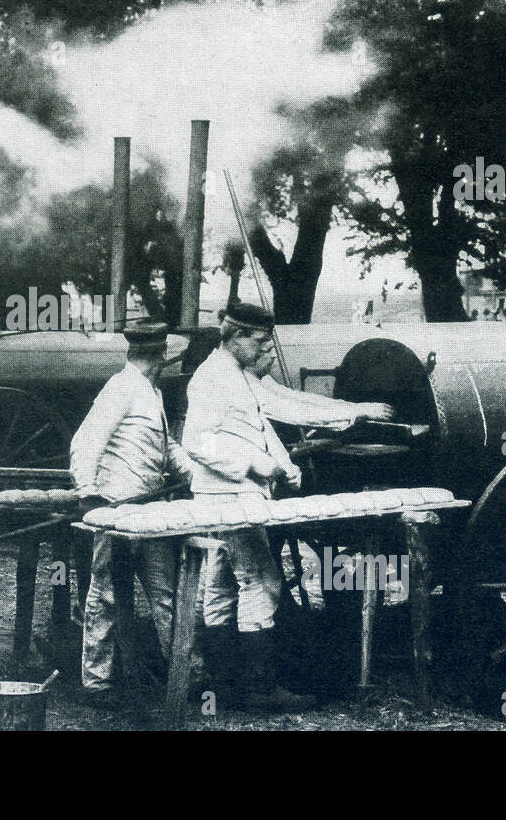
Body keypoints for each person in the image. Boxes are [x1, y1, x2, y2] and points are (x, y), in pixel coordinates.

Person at [181, 301, 315, 712]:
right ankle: (259, 689)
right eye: (258, 342)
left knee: (221, 585)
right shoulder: (211, 379)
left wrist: (285, 464)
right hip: (229, 497)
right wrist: (258, 465)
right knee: (262, 582)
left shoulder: (234, 374)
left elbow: (255, 426)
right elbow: (197, 441)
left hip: (227, 497)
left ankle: (221, 685)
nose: (264, 351)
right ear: (235, 336)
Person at [70, 322, 197, 710]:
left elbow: (166, 443)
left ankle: (180, 675)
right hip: (117, 510)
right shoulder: (120, 388)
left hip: (150, 513)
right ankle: (97, 683)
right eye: (166, 358)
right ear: (158, 358)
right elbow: (85, 442)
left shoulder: (151, 391)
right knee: (105, 597)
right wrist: (88, 494)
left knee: (166, 594)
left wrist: (193, 474)